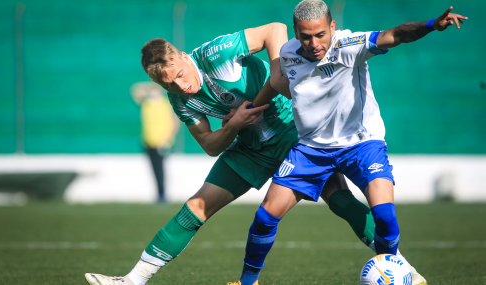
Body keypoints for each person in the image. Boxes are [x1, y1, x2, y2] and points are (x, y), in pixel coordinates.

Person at [85, 21, 418, 285]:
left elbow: (274, 29)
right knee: (196, 207)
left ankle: (401, 268)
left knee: (340, 201)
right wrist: (232, 126)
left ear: (184, 56)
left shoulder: (217, 53)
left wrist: (276, 71)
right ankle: (132, 280)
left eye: (180, 76)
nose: (181, 87)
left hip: (292, 134)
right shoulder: (180, 100)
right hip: (249, 147)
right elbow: (210, 145)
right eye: (169, 85)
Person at [232, 1, 468, 285]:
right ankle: (247, 283)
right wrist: (252, 109)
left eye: (320, 34)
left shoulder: (349, 44)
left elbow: (396, 34)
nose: (314, 43)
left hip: (362, 145)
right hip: (311, 150)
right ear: (295, 31)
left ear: (332, 27)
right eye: (305, 36)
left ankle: (392, 275)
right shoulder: (288, 53)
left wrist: (431, 25)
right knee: (265, 216)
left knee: (384, 215)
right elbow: (273, 84)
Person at [130, 82, 179, 203]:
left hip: (162, 143)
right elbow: (135, 90)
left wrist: (168, 139)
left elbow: (174, 122)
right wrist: (150, 84)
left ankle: (162, 193)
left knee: (160, 168)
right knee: (153, 168)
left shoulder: (165, 104)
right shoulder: (146, 103)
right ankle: (159, 193)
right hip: (148, 141)